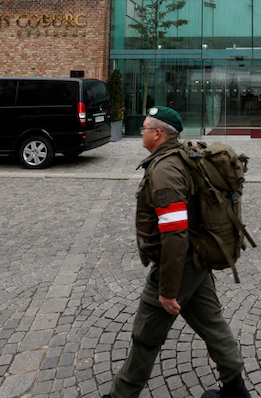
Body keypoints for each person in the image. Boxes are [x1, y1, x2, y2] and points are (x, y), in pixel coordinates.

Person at [105, 107, 250, 398]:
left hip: (180, 264)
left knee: (146, 334)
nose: (142, 132)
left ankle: (121, 395)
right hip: (196, 260)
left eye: (145, 128)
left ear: (157, 133)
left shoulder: (166, 170)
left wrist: (168, 290)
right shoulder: (179, 157)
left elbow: (174, 233)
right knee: (212, 323)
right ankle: (235, 390)